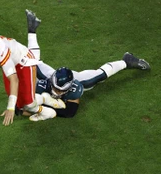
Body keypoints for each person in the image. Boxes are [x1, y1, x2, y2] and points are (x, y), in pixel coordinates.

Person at [20, 10, 151, 121]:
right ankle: (32, 28)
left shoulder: (77, 86)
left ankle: (127, 61)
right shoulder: (43, 80)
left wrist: (45, 110)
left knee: (99, 76)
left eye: (60, 90)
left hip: (76, 78)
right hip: (44, 75)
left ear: (69, 87)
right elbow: (25, 106)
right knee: (32, 64)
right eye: (55, 88)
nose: (56, 92)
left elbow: (69, 112)